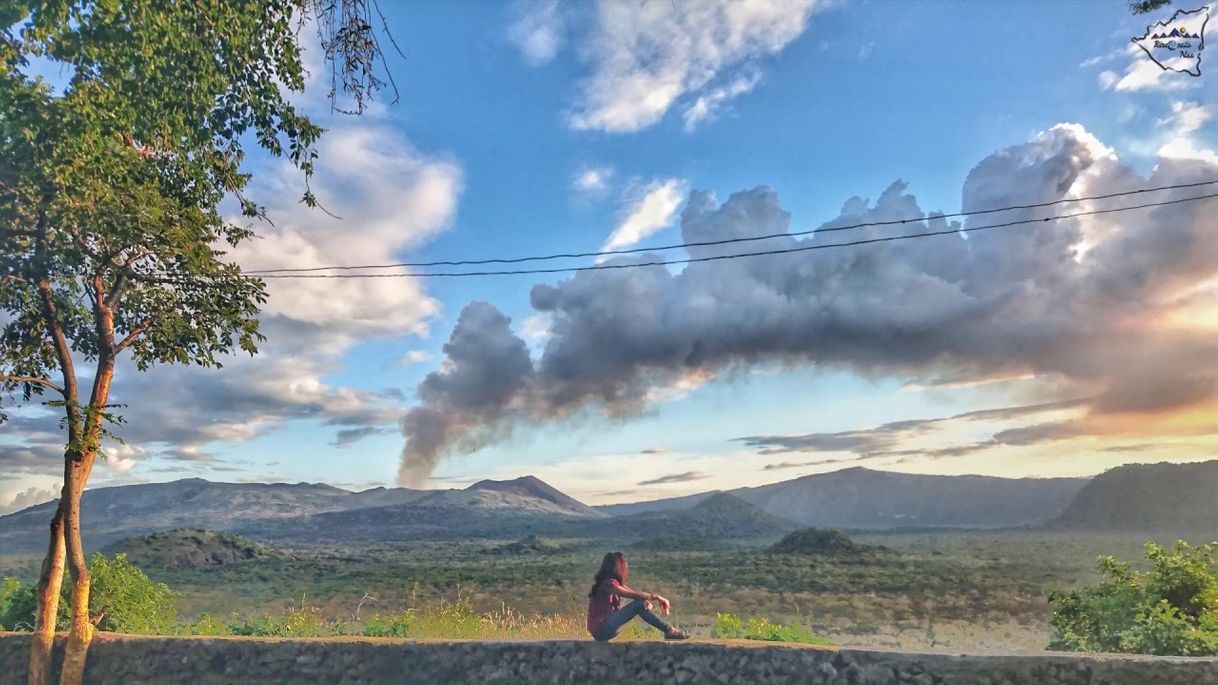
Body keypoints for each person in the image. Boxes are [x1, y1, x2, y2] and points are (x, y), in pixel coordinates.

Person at [587, 551, 690, 641]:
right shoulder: (608, 584)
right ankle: (669, 630)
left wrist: (646, 602)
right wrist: (657, 597)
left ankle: (669, 631)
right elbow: (631, 594)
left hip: (603, 629)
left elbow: (636, 595)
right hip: (602, 629)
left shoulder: (609, 583)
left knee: (640, 604)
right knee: (639, 604)